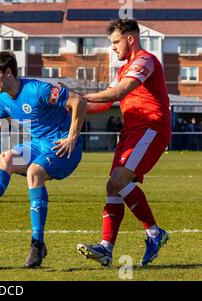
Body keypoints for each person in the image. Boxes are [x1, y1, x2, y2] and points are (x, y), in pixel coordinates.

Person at [0, 51, 87, 268]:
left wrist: (72, 136)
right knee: (5, 158)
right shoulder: (3, 98)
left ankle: (37, 243)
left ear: (9, 73)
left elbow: (78, 100)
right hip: (40, 144)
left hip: (64, 146)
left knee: (34, 172)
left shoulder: (37, 89)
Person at [73, 19, 170, 267]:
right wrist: (70, 106)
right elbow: (103, 103)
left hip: (151, 128)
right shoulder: (122, 69)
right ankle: (106, 249)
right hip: (131, 132)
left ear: (131, 39)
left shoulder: (145, 61)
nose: (113, 48)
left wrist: (79, 97)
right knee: (112, 186)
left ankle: (155, 233)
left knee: (118, 180)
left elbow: (119, 93)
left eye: (116, 42)